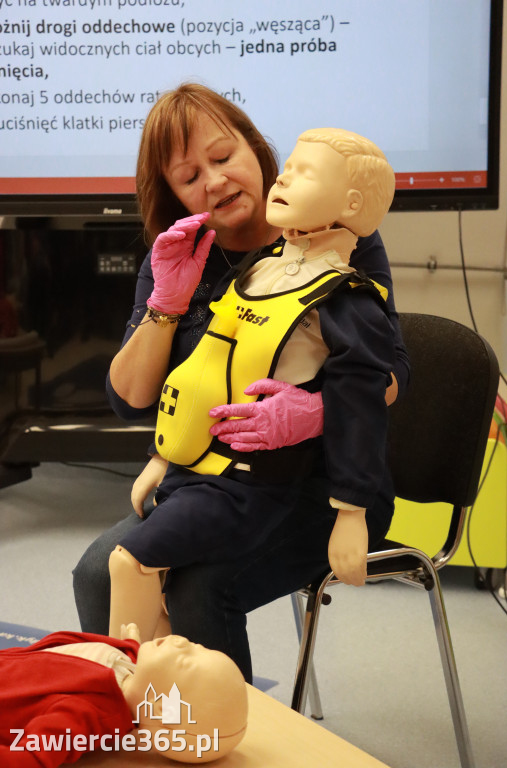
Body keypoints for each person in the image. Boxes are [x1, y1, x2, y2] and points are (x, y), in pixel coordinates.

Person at [73, 83, 410, 682]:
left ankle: (221, 735)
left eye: (224, 157)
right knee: (99, 570)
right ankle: (143, 717)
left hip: (319, 488)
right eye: (189, 175)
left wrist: (314, 410)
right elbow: (128, 400)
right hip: (209, 481)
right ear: (174, 195)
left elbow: (389, 375)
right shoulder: (177, 253)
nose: (214, 181)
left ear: (256, 151)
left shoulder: (339, 233)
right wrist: (166, 304)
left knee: (201, 588)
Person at [0, 625, 248, 766]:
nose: (185, 641)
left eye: (185, 661)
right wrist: (130, 641)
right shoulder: (133, 665)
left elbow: (31, 759)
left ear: (162, 707)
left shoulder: (86, 712)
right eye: (199, 647)